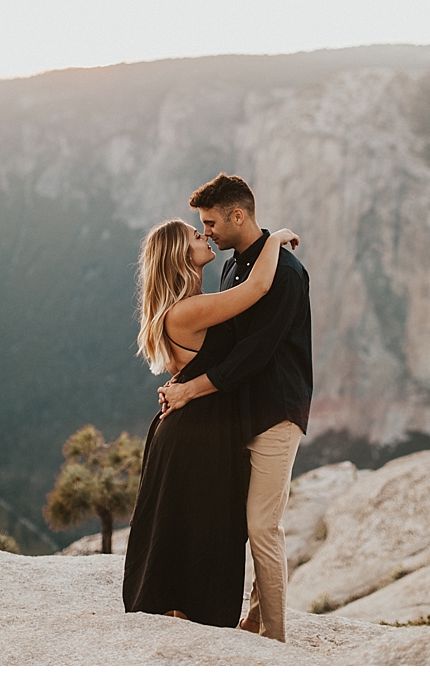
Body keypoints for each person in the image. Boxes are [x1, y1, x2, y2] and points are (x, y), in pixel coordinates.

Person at [158, 174, 314, 643]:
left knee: (262, 525)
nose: (206, 232)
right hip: (237, 411)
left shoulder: (284, 272)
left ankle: (276, 637)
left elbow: (255, 354)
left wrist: (190, 390)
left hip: (275, 413)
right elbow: (224, 347)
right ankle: (251, 616)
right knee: (236, 519)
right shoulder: (233, 268)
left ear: (237, 215)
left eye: (209, 223)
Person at [122, 218, 299, 627]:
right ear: (180, 255)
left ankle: (182, 608)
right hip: (195, 433)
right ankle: (181, 609)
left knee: (191, 520)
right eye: (195, 235)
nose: (204, 236)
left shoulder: (190, 304)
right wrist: (275, 238)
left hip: (199, 426)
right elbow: (257, 289)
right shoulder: (188, 310)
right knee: (196, 524)